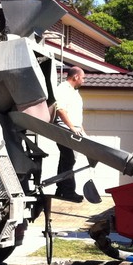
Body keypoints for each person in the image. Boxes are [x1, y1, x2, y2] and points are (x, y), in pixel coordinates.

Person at [52, 66, 87, 202]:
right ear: (76, 77)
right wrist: (71, 127)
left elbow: (76, 115)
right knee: (69, 158)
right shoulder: (63, 89)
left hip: (74, 129)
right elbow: (60, 109)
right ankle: (68, 192)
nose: (84, 81)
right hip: (64, 129)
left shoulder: (74, 92)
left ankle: (61, 189)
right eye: (83, 78)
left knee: (66, 159)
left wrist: (82, 131)